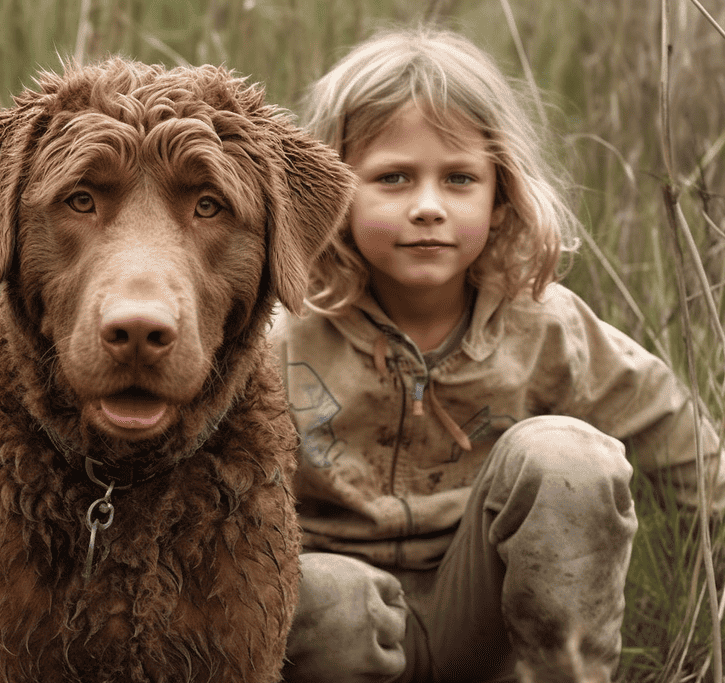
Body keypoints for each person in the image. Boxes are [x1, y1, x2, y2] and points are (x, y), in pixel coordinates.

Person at [271, 26, 724, 683]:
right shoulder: (282, 334)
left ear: (500, 191)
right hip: (336, 633)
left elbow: (675, 436)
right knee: (318, 592)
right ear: (332, 193)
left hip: (487, 628)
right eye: (392, 178)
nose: (427, 207)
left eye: (457, 178)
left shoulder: (543, 325)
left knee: (567, 457)